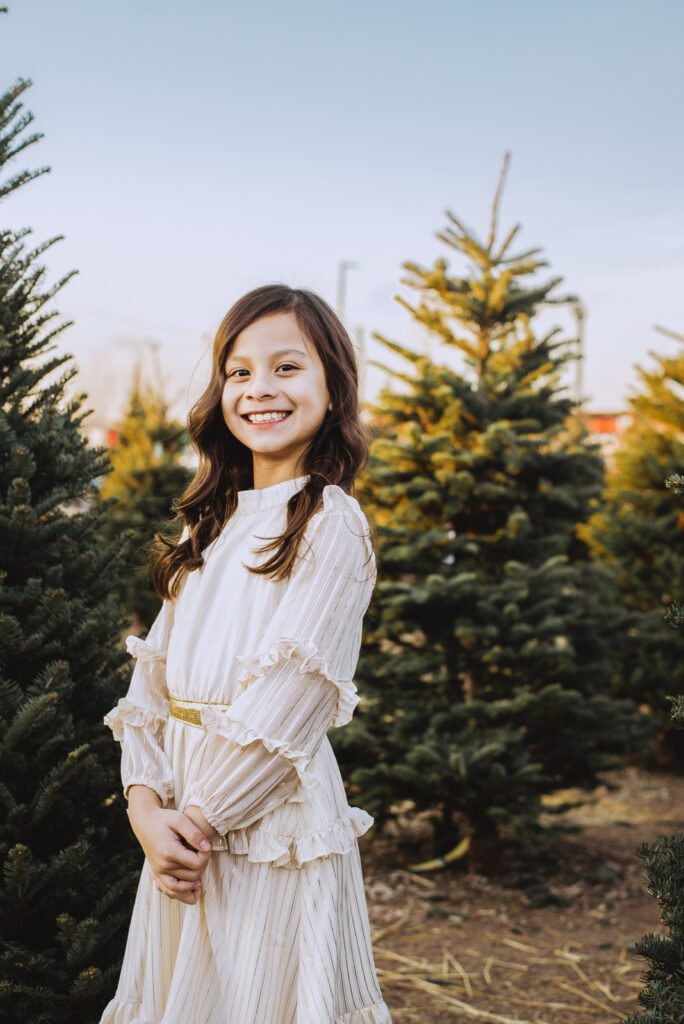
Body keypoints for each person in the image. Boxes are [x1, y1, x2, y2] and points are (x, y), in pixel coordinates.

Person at [99, 284, 392, 1024]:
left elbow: (293, 700)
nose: (260, 388)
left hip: (267, 824)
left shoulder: (329, 524)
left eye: (287, 367)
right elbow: (150, 684)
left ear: (334, 387)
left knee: (256, 998)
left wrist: (198, 823)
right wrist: (145, 808)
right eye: (239, 371)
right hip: (177, 824)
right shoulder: (209, 525)